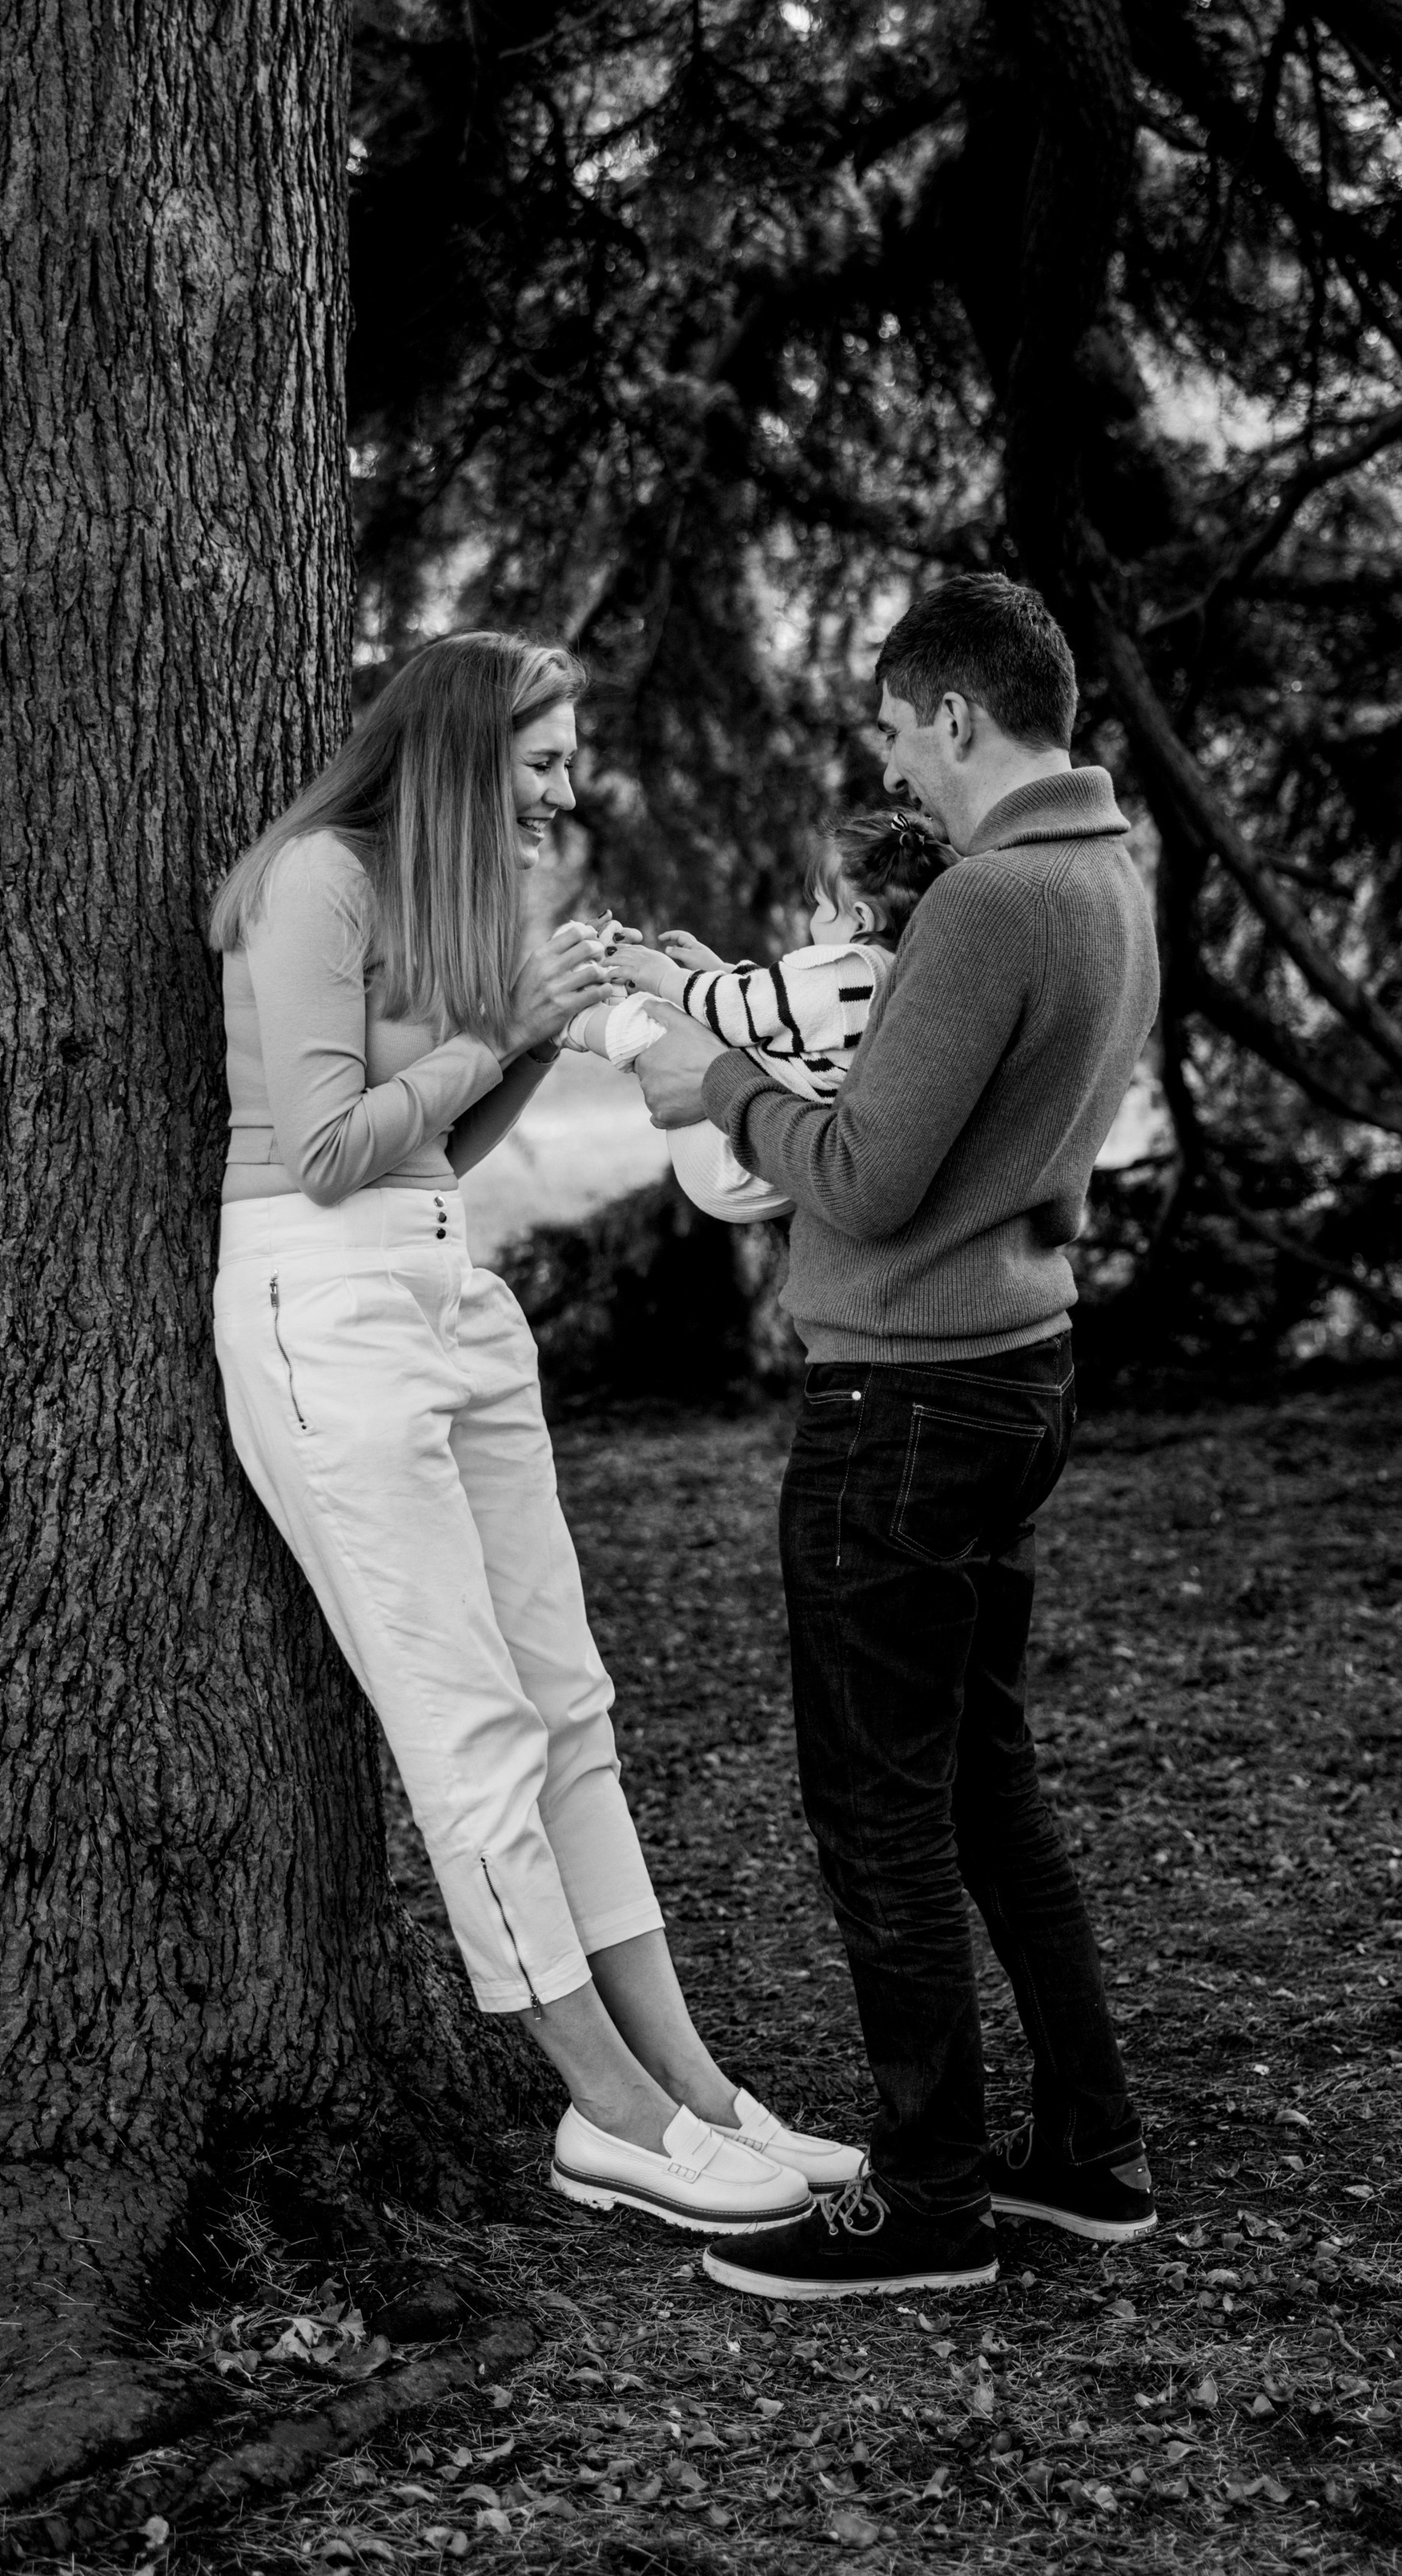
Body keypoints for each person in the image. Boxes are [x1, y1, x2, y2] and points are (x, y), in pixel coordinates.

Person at [210, 631, 861, 2236]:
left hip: (451, 1289)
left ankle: (696, 2087)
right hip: (322, 1301)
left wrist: (538, 1028)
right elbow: (322, 1147)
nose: (566, 790)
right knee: (469, 1722)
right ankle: (608, 2110)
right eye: (544, 759)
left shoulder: (454, 900)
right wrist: (499, 1013)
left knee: (570, 1703)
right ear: (457, 749)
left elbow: (457, 1126)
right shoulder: (313, 881)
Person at [633, 573, 1160, 2301]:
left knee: (880, 1805)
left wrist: (710, 1087)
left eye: (889, 722)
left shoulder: (989, 902)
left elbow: (860, 1173)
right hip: (1014, 1373)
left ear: (947, 710)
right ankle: (1085, 2150)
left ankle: (925, 2202)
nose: (886, 761)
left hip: (906, 1401)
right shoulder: (1105, 877)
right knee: (980, 1779)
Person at [564, 813, 952, 1220]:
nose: (810, 919)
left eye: (820, 907)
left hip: (732, 1154)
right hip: (780, 1164)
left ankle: (572, 1021)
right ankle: (603, 990)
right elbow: (782, 1012)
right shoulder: (895, 975)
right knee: (695, 1013)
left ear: (861, 920)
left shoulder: (845, 968)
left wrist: (665, 977)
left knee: (660, 1025)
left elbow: (745, 1010)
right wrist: (718, 973)